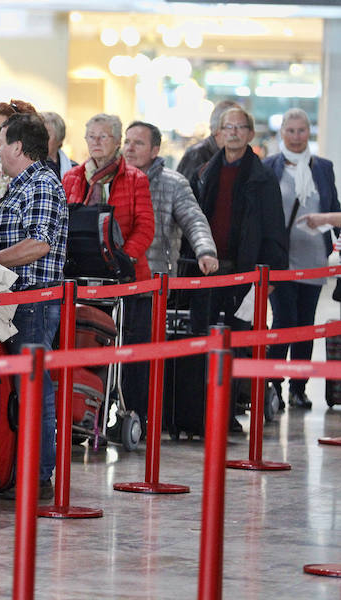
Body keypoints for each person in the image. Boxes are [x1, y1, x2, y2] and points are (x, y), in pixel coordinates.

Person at [0, 113, 67, 501]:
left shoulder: (43, 185)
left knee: (34, 393)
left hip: (32, 304)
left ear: (17, 147)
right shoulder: (20, 185)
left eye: (1, 142)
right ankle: (20, 470)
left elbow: (40, 243)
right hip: (12, 302)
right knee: (21, 392)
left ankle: (39, 475)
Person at [191, 107, 288, 430]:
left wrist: (269, 276)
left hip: (245, 273)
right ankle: (200, 410)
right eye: (227, 127)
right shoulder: (205, 171)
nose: (232, 133)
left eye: (239, 127)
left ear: (249, 134)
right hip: (207, 271)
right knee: (201, 338)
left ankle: (229, 410)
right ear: (219, 133)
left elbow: (275, 230)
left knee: (239, 342)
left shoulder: (262, 178)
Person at [62, 114, 155, 429]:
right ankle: (85, 411)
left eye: (103, 137)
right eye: (91, 136)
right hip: (81, 278)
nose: (96, 142)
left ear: (117, 142)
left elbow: (145, 227)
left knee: (132, 353)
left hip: (126, 278)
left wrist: (121, 259)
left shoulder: (135, 179)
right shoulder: (72, 177)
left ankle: (132, 414)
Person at [263, 108, 339, 410]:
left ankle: (298, 388)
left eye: (301, 131)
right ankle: (272, 386)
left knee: (306, 324)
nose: (296, 137)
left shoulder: (323, 167)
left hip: (314, 257)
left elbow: (332, 204)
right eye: (290, 131)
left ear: (310, 132)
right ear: (281, 132)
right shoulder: (269, 166)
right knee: (285, 321)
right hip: (282, 259)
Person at [122, 120, 218, 277]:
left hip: (156, 277)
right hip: (118, 277)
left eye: (138, 143)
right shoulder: (111, 180)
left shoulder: (174, 183)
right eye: (127, 142)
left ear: (155, 151)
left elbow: (194, 220)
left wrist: (205, 251)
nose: (130, 149)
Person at [176, 100, 241, 184]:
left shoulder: (235, 156)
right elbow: (185, 192)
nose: (238, 132)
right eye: (232, 126)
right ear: (218, 128)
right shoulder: (196, 154)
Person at [39, 111, 77, 182]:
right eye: (38, 134)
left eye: (46, 134)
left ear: (59, 138)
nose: (41, 138)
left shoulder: (74, 169)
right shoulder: (28, 167)